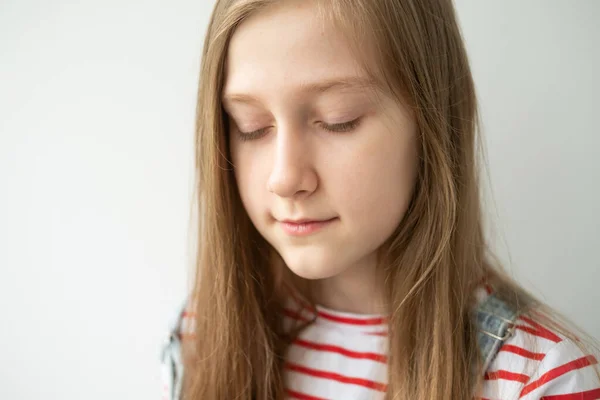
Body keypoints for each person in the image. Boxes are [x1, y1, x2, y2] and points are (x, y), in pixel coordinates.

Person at [160, 0, 600, 399]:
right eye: (251, 126)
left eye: (338, 120)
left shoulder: (542, 379)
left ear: (433, 119)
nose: (285, 177)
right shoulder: (203, 336)